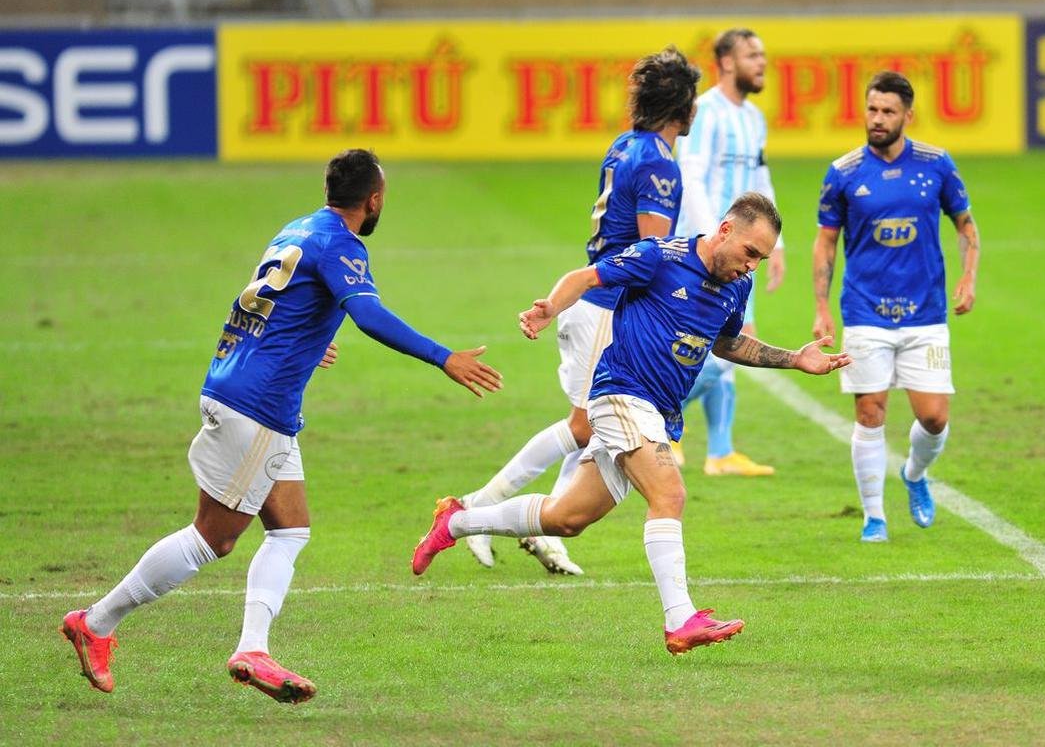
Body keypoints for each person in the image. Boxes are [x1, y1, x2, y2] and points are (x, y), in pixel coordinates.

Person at [59, 148, 502, 703]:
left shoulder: (297, 228)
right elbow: (368, 315)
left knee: (290, 528)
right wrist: (445, 357)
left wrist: (301, 345)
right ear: (374, 199)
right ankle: (96, 622)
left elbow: (263, 304)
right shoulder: (342, 243)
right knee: (212, 538)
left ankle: (254, 647)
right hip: (256, 408)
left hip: (244, 388)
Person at [413, 193, 851, 654]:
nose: (751, 267)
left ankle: (457, 521)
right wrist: (550, 309)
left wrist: (795, 360)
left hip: (657, 413)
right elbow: (585, 276)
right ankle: (680, 620)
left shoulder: (736, 286)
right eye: (749, 253)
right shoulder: (660, 257)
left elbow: (726, 344)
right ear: (725, 231)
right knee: (670, 494)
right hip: (621, 393)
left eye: (761, 259)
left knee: (566, 519)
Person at [456, 46, 701, 576]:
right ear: (686, 108)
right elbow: (650, 253)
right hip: (607, 307)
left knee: (598, 435)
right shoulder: (659, 163)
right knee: (587, 427)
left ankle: (547, 533)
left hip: (601, 302)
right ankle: (474, 507)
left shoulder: (625, 145)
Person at [811, 71, 980, 543]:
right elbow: (826, 243)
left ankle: (913, 474)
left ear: (908, 115)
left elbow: (966, 226)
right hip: (865, 311)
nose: (878, 119)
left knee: (934, 417)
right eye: (872, 109)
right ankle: (873, 517)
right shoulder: (843, 172)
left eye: (888, 111)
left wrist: (968, 277)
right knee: (870, 413)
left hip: (926, 314)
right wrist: (822, 306)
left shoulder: (937, 164)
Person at [671, 27, 785, 477]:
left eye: (763, 54)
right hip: (715, 250)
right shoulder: (708, 113)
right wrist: (709, 236)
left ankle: (719, 451)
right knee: (726, 346)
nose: (762, 62)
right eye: (752, 55)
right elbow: (692, 173)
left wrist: (779, 245)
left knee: (728, 339)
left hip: (748, 250)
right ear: (727, 62)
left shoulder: (754, 117)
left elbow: (762, 183)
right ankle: (662, 419)